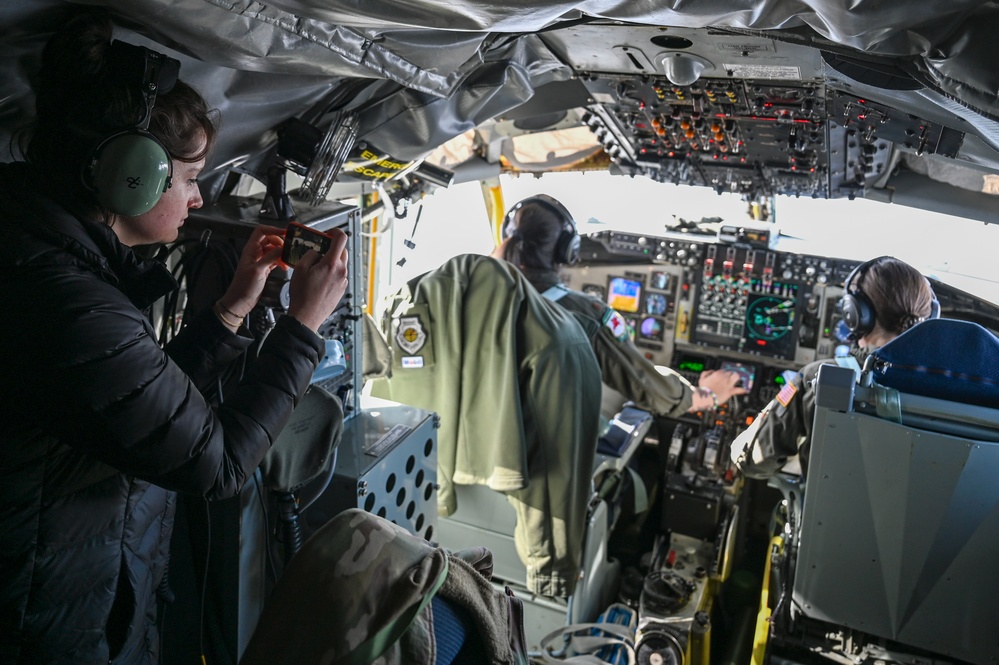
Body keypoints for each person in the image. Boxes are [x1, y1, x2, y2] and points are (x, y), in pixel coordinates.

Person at [0, 11, 349, 665]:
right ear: (127, 177)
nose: (197, 198)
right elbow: (216, 463)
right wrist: (304, 326)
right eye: (188, 178)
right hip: (51, 629)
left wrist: (232, 307)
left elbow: (139, 395)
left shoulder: (49, 258)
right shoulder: (68, 304)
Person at [493, 194, 747, 418]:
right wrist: (709, 395)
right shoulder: (586, 315)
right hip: (537, 458)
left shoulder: (468, 296)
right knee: (625, 404)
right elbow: (649, 388)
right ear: (566, 251)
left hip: (469, 452)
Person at [731, 255, 938, 478]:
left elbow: (753, 460)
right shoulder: (956, 387)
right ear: (931, 316)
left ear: (856, 315)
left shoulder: (818, 378)